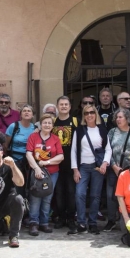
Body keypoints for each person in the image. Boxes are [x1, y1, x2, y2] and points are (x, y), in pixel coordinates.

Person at [72, 104, 112, 234]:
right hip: (83, 167)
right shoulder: (79, 130)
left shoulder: (102, 129)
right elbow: (74, 151)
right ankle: (81, 223)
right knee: (80, 194)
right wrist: (75, 169)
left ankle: (93, 223)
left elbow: (108, 149)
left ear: (96, 114)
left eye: (92, 112)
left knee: (95, 196)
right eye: (86, 113)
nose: (89, 115)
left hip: (97, 167)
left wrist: (104, 164)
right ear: (83, 116)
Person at [104, 108, 130, 232]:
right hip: (114, 169)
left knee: (129, 195)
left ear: (127, 119)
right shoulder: (111, 132)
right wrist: (113, 166)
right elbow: (107, 151)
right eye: (117, 117)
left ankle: (127, 218)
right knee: (111, 195)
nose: (118, 119)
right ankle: (111, 220)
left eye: (121, 117)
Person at [25, 112, 64, 235]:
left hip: (52, 173)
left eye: (49, 123)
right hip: (36, 172)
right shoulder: (33, 137)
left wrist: (47, 162)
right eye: (44, 123)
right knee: (35, 197)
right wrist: (36, 168)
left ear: (52, 126)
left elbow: (61, 156)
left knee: (47, 197)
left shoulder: (55, 139)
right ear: (40, 124)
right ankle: (33, 223)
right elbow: (28, 154)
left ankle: (44, 223)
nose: (47, 125)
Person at [51, 96, 79, 233]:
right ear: (57, 106)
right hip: (56, 165)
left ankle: (71, 219)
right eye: (61, 104)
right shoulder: (53, 122)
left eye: (66, 104)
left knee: (71, 193)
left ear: (69, 106)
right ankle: (61, 217)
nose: (63, 106)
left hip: (71, 164)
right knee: (59, 193)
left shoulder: (75, 121)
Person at [3, 105, 36, 197]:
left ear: (32, 115)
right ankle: (19, 206)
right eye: (24, 111)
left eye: (29, 111)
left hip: (30, 161)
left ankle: (28, 206)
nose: (26, 112)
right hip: (15, 159)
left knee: (30, 185)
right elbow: (6, 145)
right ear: (20, 114)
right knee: (17, 185)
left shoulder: (36, 128)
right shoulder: (14, 126)